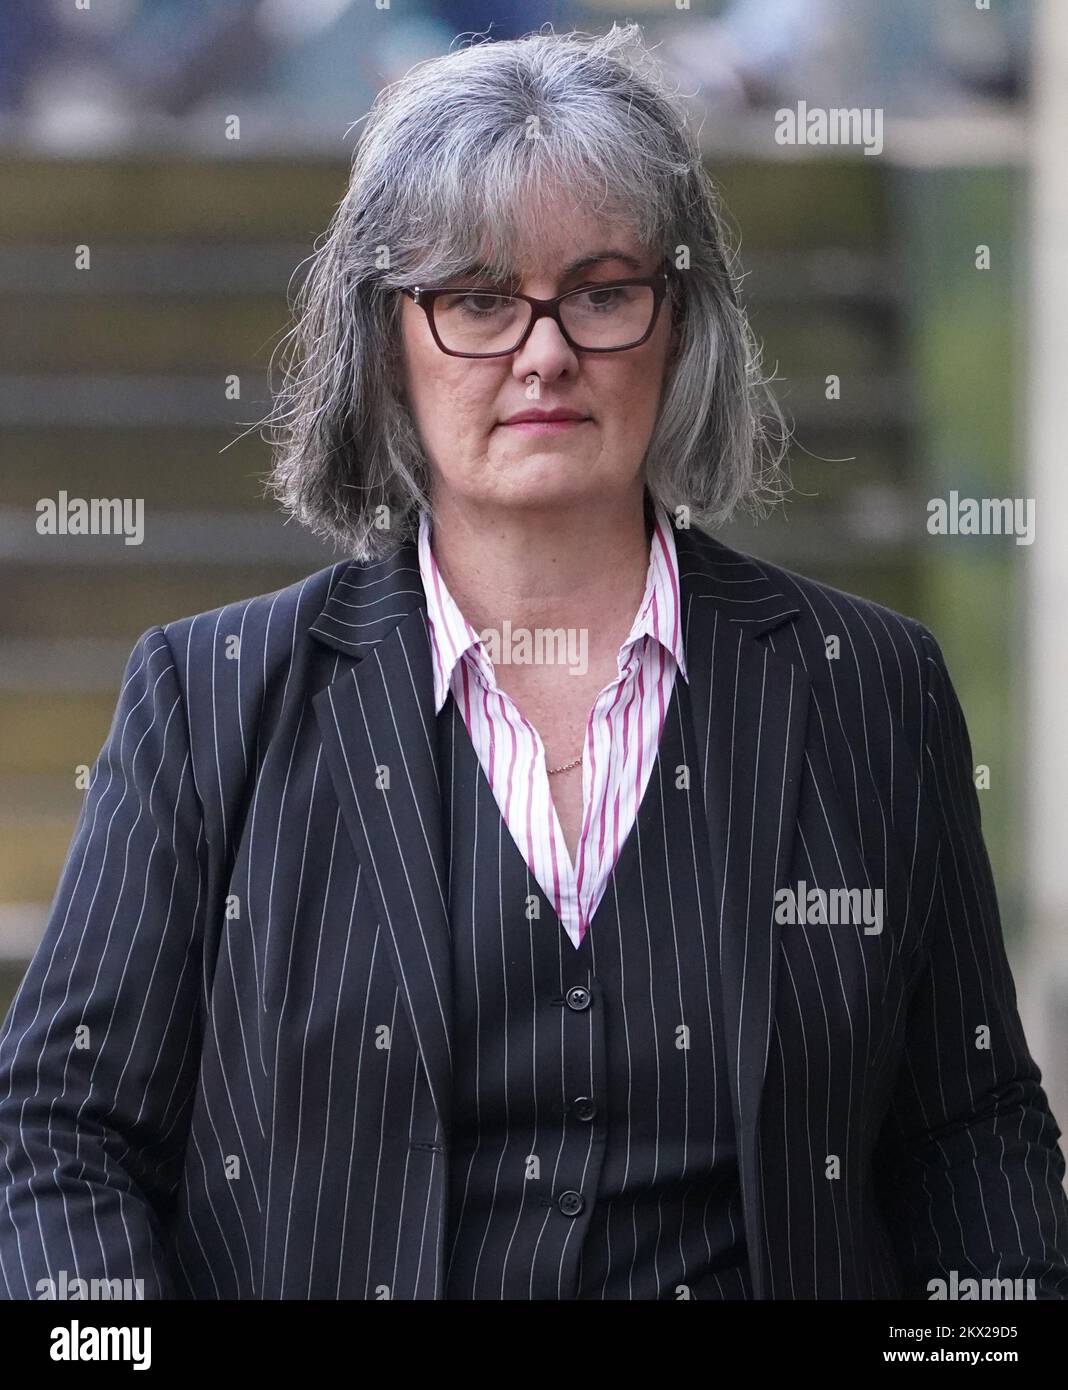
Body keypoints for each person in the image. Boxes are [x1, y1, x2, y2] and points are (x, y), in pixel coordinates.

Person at [1, 23, 1066, 1301]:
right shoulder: (210, 698)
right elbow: (60, 1135)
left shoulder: (869, 688)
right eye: (479, 299)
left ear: (680, 328)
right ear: (385, 340)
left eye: (603, 290)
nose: (545, 350)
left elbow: (972, 1133)